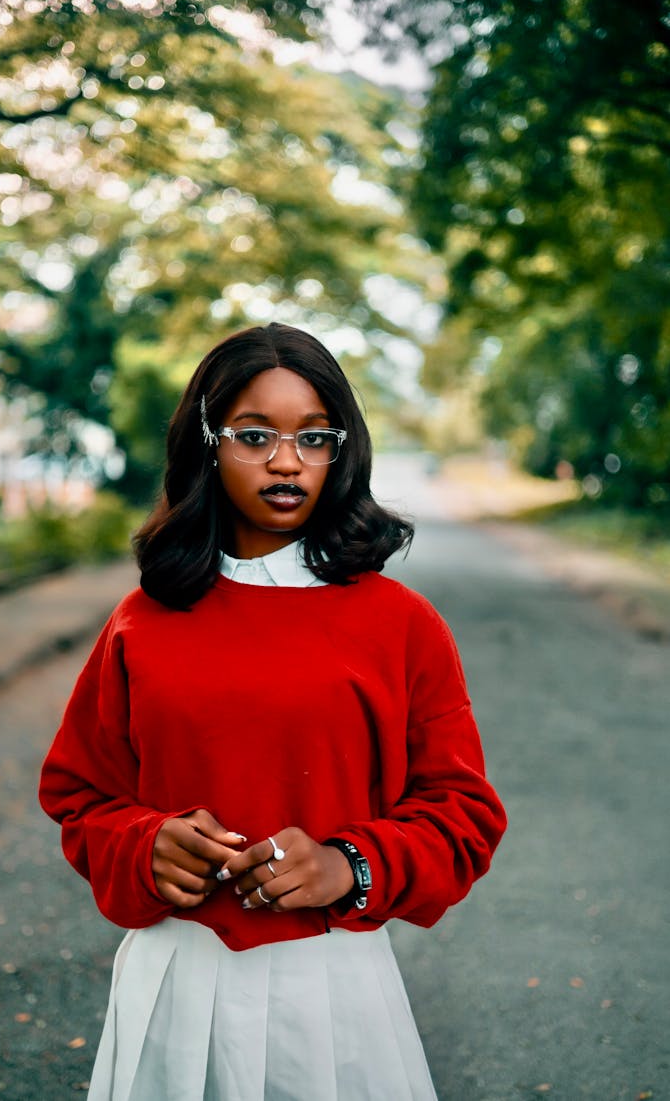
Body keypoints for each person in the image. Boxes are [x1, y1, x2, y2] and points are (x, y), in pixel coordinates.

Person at [39, 322, 506, 1101]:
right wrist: (142, 843)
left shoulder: (401, 624)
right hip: (173, 981)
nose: (287, 460)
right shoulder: (144, 620)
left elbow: (463, 812)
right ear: (209, 442)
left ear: (341, 450)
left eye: (314, 437)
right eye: (255, 435)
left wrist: (348, 864)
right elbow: (80, 796)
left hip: (334, 987)